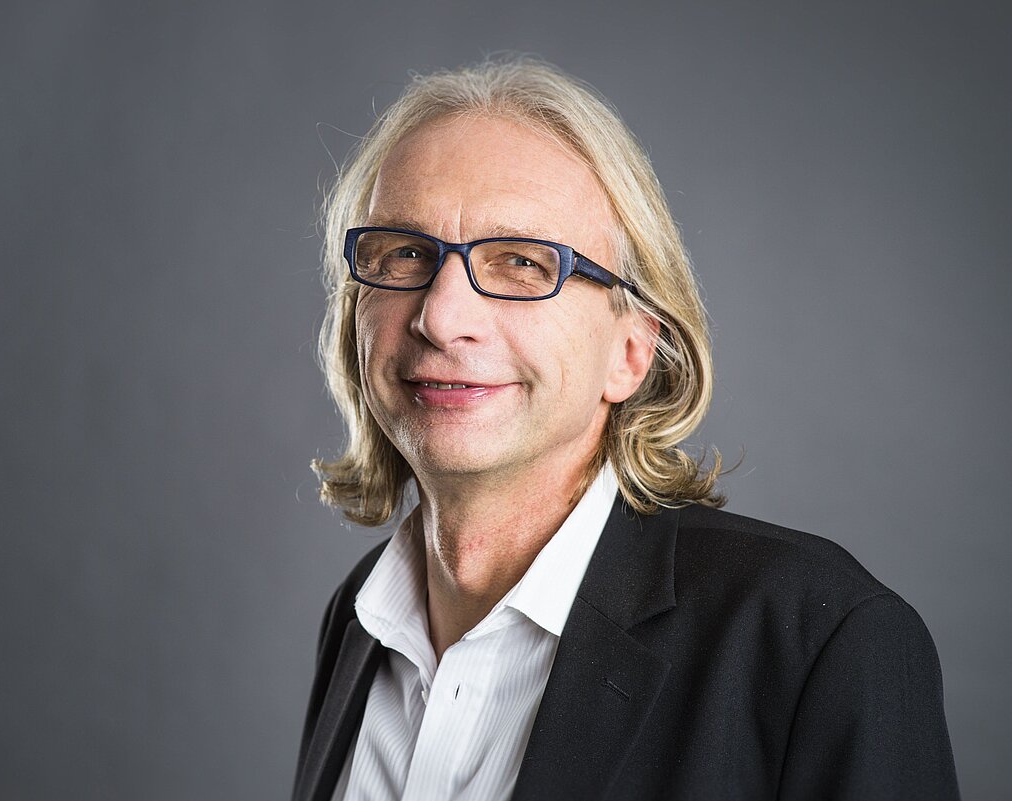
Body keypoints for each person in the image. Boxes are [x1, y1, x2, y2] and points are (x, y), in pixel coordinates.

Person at [292, 58, 959, 801]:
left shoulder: (819, 642)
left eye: (522, 262)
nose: (442, 317)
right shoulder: (358, 621)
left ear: (632, 352)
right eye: (405, 254)